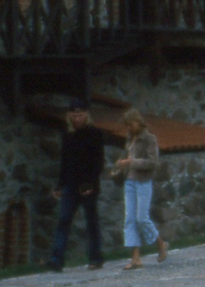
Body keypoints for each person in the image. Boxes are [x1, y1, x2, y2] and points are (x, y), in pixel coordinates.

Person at [46, 100, 106, 273]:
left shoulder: (94, 133)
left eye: (80, 114)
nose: (77, 118)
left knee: (91, 221)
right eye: (74, 114)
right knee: (64, 220)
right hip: (71, 185)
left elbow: (98, 162)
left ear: (86, 115)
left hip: (88, 184)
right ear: (69, 116)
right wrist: (59, 185)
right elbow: (65, 163)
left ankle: (95, 257)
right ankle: (57, 259)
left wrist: (90, 183)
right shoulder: (68, 135)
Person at [114, 108, 164, 271]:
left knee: (141, 218)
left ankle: (159, 243)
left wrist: (132, 162)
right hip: (129, 181)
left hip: (143, 181)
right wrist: (120, 166)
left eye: (130, 124)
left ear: (138, 122)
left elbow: (153, 162)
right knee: (130, 219)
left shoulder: (149, 139)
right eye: (126, 125)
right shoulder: (130, 138)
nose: (128, 128)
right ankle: (135, 257)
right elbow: (126, 157)